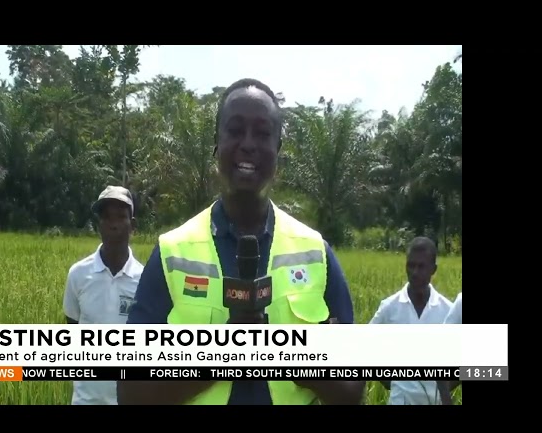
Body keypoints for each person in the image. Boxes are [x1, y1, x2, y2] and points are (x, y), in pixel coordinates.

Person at [118, 78, 364, 405]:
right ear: (216, 143)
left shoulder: (315, 253)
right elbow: (131, 394)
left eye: (263, 133)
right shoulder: (172, 254)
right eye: (235, 130)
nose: (248, 144)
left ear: (279, 147)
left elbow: (352, 394)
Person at [63, 185, 144, 405]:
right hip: (85, 400)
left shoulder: (144, 280)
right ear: (99, 225)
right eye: (106, 217)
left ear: (132, 225)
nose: (113, 224)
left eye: (121, 217)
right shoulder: (78, 274)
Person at [369, 237, 453, 405]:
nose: (414, 272)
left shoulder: (447, 311)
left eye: (421, 266)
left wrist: (444, 388)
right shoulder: (390, 307)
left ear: (433, 269)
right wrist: (390, 382)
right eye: (410, 265)